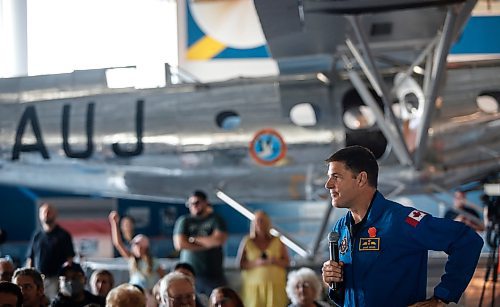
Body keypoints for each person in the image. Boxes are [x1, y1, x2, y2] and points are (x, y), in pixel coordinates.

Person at [321, 145, 484, 306]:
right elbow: (348, 295)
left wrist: (442, 297)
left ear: (361, 179)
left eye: (336, 176)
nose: (328, 184)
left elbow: (466, 241)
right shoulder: (340, 228)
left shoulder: (401, 221)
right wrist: (333, 280)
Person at [173, 190, 228, 295]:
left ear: (205, 202)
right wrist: (207, 244)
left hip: (214, 275)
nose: (194, 206)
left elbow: (218, 240)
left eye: (197, 202)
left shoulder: (216, 220)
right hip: (189, 275)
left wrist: (193, 240)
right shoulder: (184, 221)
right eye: (190, 203)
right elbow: (180, 244)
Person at [236, 210, 289, 307]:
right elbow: (240, 264)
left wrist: (273, 261)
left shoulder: (277, 240)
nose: (260, 224)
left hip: (275, 287)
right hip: (253, 289)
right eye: (257, 221)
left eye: (262, 221)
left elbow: (287, 262)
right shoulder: (247, 241)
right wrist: (257, 263)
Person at [26, 203, 75, 300]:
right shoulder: (37, 236)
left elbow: (70, 259)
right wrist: (29, 278)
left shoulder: (63, 235)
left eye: (49, 212)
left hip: (56, 280)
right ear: (40, 215)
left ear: (55, 214)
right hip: (39, 280)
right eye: (44, 212)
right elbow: (30, 258)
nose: (46, 214)